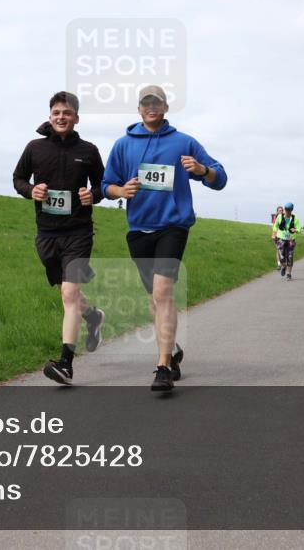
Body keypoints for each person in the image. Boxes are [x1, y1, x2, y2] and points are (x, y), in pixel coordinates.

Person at [102, 85, 227, 392]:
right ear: (139, 108)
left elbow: (220, 177)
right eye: (146, 103)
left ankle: (162, 367)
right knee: (154, 300)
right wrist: (120, 191)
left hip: (173, 226)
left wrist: (202, 170)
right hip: (138, 229)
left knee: (162, 292)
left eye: (157, 102)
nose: (152, 107)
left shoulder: (183, 142)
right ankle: (170, 350)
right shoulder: (122, 145)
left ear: (166, 107)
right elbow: (107, 184)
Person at [13, 91, 106, 386]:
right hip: (47, 233)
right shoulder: (35, 148)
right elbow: (18, 178)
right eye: (56, 113)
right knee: (68, 294)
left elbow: (103, 185)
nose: (61, 117)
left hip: (79, 231)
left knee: (68, 293)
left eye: (67, 113)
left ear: (76, 118)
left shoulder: (89, 151)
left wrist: (93, 195)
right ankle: (92, 317)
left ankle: (65, 363)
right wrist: (31, 191)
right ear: (50, 117)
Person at [274, 203, 300, 280]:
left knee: (290, 256)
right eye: (286, 210)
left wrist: (295, 230)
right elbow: (275, 226)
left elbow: (299, 229)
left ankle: (289, 274)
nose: (287, 211)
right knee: (281, 256)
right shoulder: (279, 216)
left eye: (289, 210)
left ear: (291, 210)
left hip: (291, 239)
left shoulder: (295, 219)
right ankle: (284, 266)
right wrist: (274, 233)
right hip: (281, 238)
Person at [272, 205, 284, 270]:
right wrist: (274, 235)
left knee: (283, 249)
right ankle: (279, 264)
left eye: (281, 210)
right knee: (278, 249)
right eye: (279, 210)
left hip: (283, 235)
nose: (281, 211)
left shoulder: (284, 217)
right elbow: (274, 227)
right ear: (277, 211)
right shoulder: (275, 217)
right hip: (276, 235)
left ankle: (283, 263)